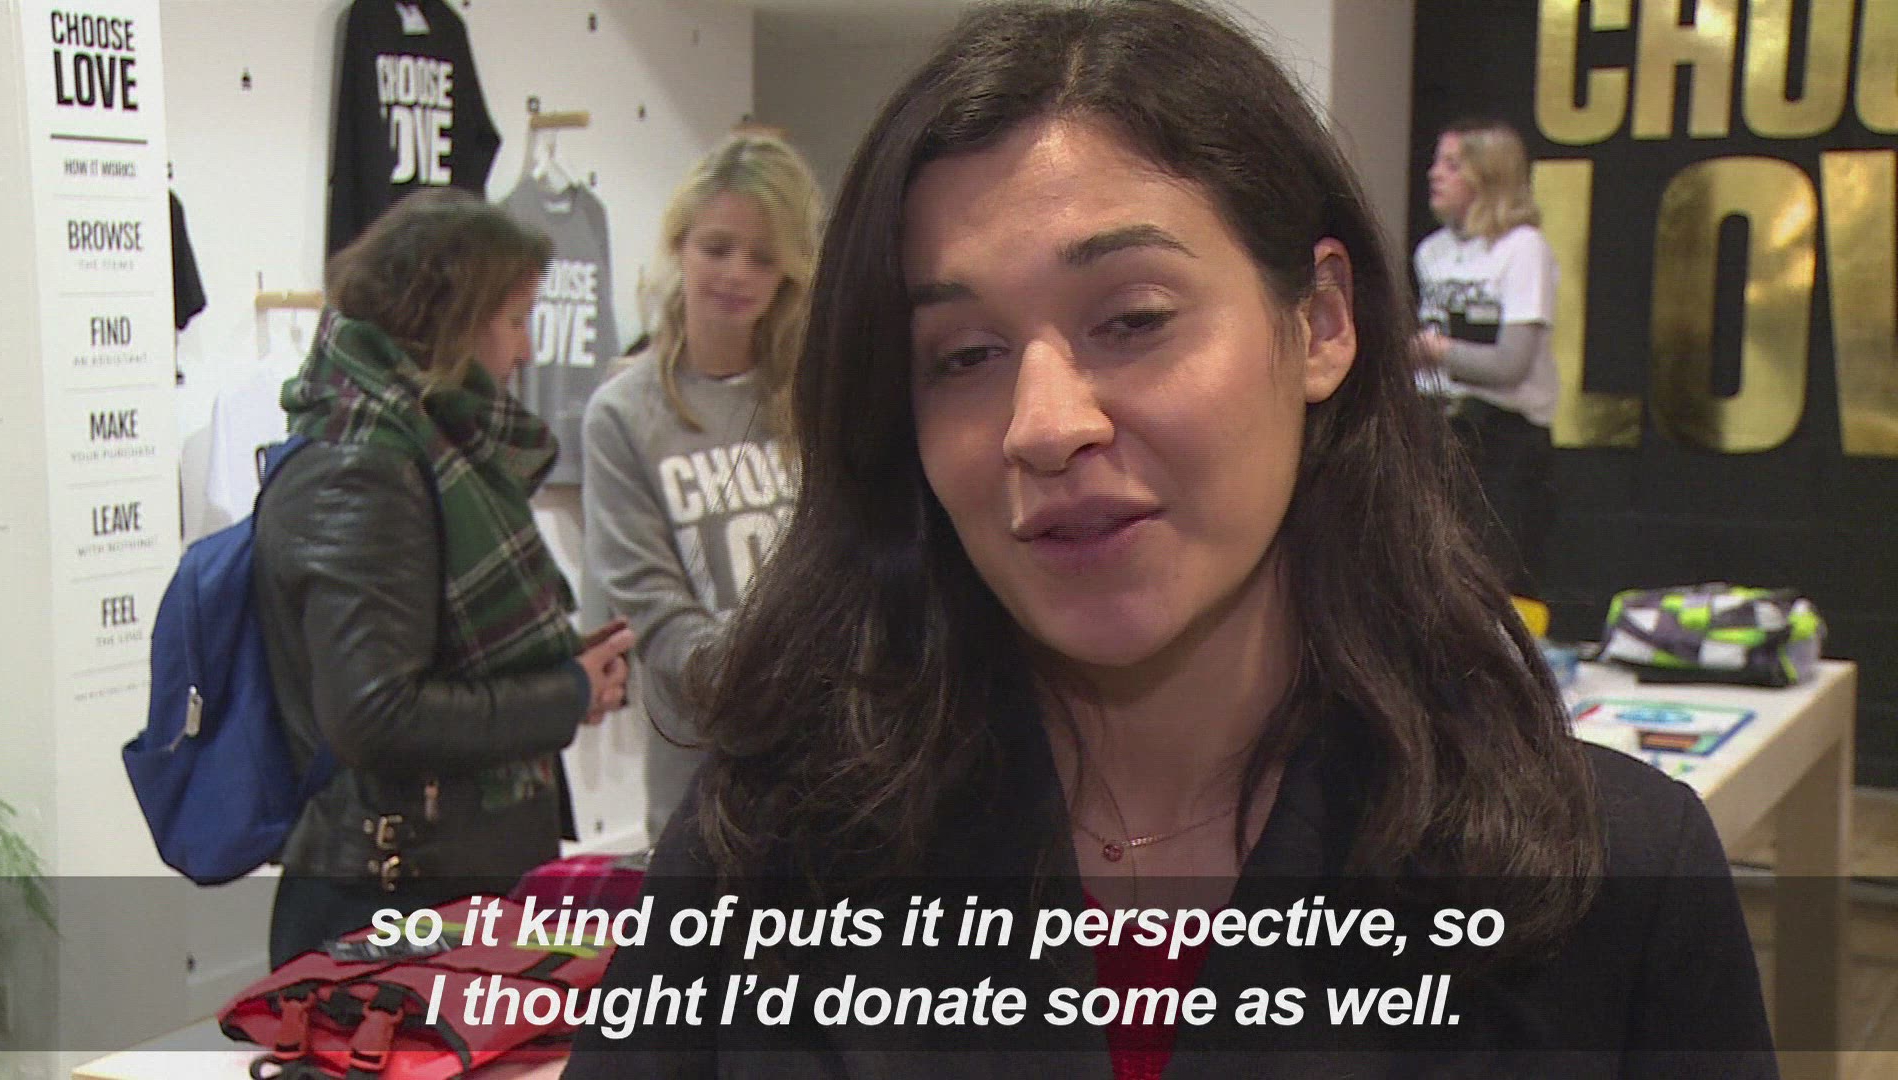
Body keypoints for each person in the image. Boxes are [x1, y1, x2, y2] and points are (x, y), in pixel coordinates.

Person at [565, 2, 1772, 1076]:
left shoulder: (1614, 878)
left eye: (1133, 319)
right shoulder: (766, 844)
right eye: (966, 356)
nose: (1044, 425)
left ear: (1322, 322)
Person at [256, 190, 634, 968]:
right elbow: (375, 715)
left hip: (447, 879)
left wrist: (560, 670)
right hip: (396, 903)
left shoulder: (422, 447)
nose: (525, 351)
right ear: (452, 323)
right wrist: (565, 692)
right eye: (515, 320)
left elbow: (431, 656)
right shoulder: (365, 466)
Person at [580, 132, 822, 842]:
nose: (735, 273)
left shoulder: (813, 399)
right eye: (717, 247)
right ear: (680, 246)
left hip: (833, 773)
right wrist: (780, 683)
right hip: (702, 785)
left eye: (762, 257)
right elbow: (656, 615)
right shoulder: (623, 415)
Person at [1413, 118, 1560, 599]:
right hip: (1437, 429)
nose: (1435, 173)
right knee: (1429, 575)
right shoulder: (1432, 253)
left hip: (1500, 439)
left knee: (1492, 581)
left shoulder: (1522, 250)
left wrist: (1435, 352)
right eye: (1437, 161)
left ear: (1488, 176)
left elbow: (1509, 365)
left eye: (1453, 165)